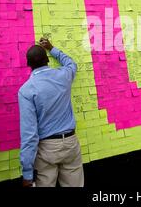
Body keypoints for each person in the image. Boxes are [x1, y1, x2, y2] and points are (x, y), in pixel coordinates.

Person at [19, 37, 83, 187]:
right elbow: (71, 63)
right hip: (70, 142)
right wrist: (51, 48)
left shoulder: (26, 90)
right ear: (47, 59)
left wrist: (27, 173)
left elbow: (29, 134)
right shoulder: (63, 76)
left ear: (28, 65)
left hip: (46, 149)